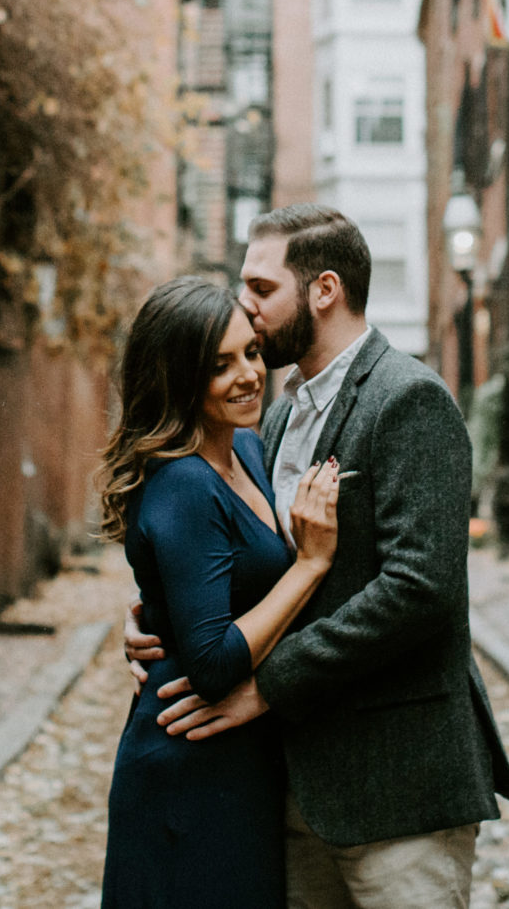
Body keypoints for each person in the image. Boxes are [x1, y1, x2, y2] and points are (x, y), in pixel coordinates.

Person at [125, 204, 509, 909]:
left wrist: (268, 684)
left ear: (324, 290)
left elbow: (420, 588)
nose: (244, 308)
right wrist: (158, 623)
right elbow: (241, 560)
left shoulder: (409, 399)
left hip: (397, 784)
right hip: (296, 788)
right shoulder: (271, 420)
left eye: (261, 287)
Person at [98, 276, 345, 909]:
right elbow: (210, 663)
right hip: (188, 768)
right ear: (179, 379)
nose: (248, 376)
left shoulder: (248, 451)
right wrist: (310, 565)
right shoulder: (184, 482)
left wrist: (150, 614)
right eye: (219, 366)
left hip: (241, 765)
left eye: (251, 354)